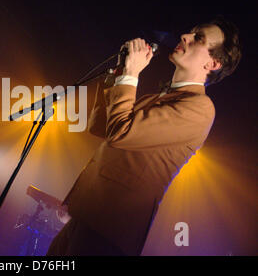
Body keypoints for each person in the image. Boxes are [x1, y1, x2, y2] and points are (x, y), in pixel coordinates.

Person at [46, 16, 241, 256]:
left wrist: (131, 74)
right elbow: (102, 127)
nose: (185, 37)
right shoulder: (159, 98)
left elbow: (120, 132)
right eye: (190, 32)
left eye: (198, 38)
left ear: (213, 63)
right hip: (87, 215)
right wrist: (120, 71)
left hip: (110, 229)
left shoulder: (200, 108)